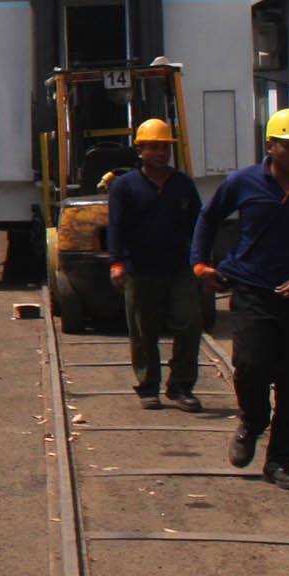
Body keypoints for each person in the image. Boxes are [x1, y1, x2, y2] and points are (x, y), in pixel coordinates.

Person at [192, 107, 289, 492]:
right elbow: (208, 219)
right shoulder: (242, 183)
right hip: (251, 292)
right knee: (250, 365)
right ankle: (252, 420)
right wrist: (200, 265)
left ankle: (281, 462)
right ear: (271, 147)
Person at [107, 118, 203, 408]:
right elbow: (116, 226)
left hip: (179, 268)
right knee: (143, 330)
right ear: (141, 150)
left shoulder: (183, 185)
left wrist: (202, 261)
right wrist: (117, 262)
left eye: (165, 148)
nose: (162, 153)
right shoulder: (125, 187)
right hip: (140, 269)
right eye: (155, 148)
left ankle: (181, 386)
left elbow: (199, 225)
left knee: (189, 324)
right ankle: (148, 386)